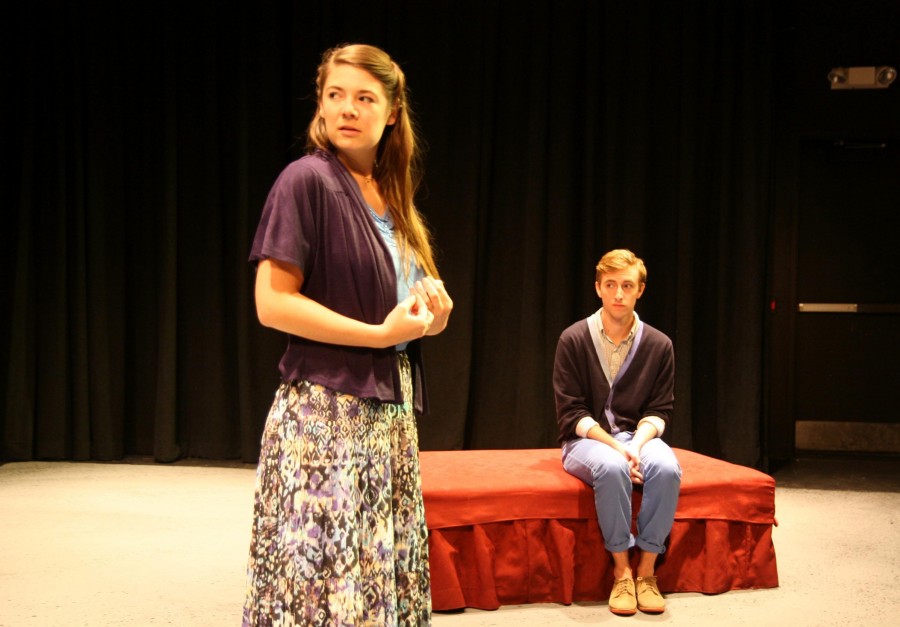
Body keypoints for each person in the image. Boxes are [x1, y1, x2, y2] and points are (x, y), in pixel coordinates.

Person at [242, 43, 452, 626]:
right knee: (325, 589)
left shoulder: (391, 196)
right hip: (324, 415)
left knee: (374, 575)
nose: (347, 108)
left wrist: (430, 317)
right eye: (335, 95)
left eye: (364, 98)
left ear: (391, 113)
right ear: (321, 103)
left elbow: (401, 315)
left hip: (388, 415)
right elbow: (272, 303)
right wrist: (378, 334)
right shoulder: (305, 180)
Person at [552, 249, 681, 616]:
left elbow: (660, 411)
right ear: (598, 288)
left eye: (627, 285)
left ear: (640, 290)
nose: (619, 294)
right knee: (610, 467)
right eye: (611, 285)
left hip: (637, 437)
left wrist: (636, 446)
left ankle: (647, 570)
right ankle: (622, 570)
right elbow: (571, 411)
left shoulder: (659, 345)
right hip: (586, 441)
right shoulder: (573, 339)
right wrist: (616, 448)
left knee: (668, 469)